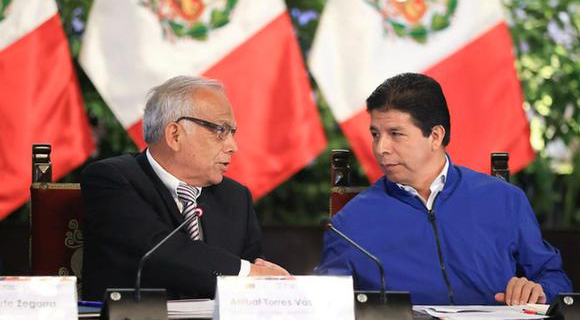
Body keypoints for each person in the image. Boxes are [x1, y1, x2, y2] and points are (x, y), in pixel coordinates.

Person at [317, 73, 572, 305]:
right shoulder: (348, 226)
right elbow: (327, 304)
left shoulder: (505, 200)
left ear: (436, 136)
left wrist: (538, 291)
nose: (381, 148)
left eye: (396, 133)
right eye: (375, 134)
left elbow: (554, 280)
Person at [81, 76, 289, 300]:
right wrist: (246, 272)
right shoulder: (111, 179)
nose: (233, 147)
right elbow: (157, 252)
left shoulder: (235, 197)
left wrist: (267, 281)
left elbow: (254, 283)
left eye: (232, 133)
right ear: (175, 135)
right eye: (221, 131)